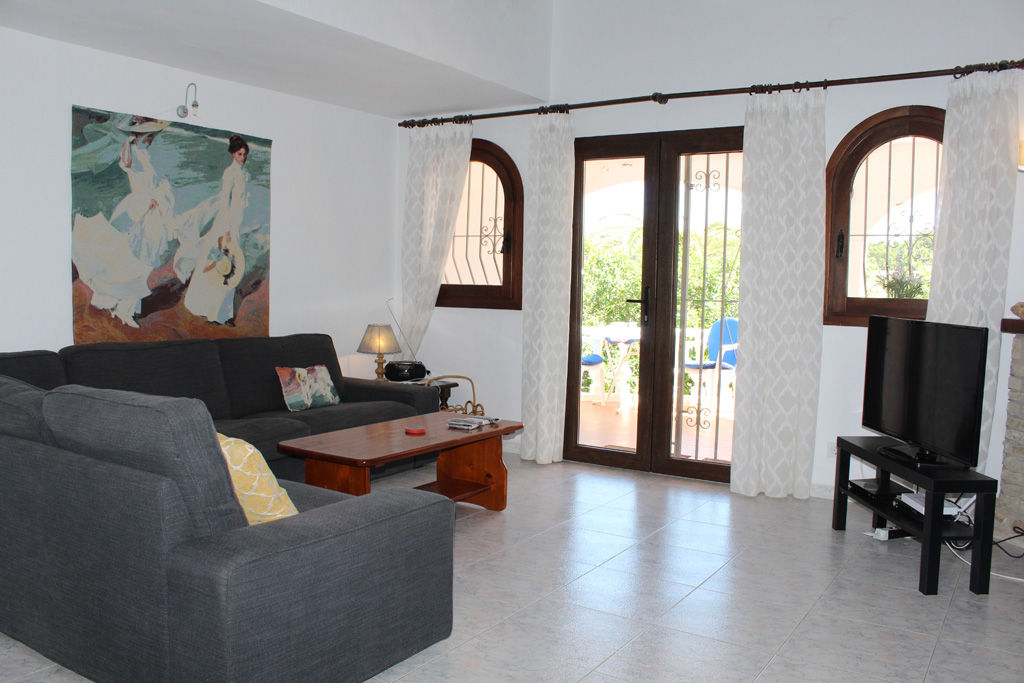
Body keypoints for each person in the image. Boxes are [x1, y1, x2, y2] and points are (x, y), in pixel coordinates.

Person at [183, 135, 250, 324]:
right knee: (219, 263)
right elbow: (224, 202)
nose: (242, 158)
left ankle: (223, 313)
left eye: (245, 154)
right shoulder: (229, 173)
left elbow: (242, 201)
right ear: (232, 154)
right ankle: (211, 311)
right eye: (239, 154)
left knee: (232, 264)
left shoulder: (245, 173)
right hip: (226, 224)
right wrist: (226, 229)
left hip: (236, 223)